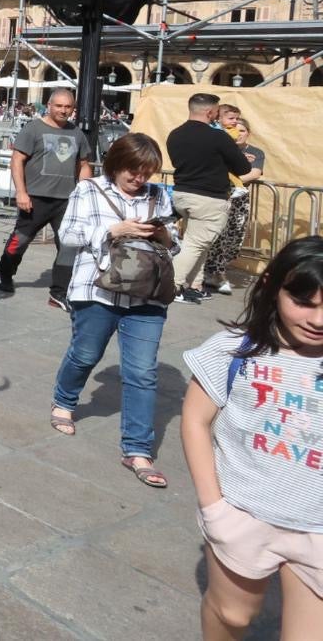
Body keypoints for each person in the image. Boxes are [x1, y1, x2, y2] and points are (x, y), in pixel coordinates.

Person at [181, 237, 323, 640]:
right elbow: (194, 419)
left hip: (318, 526)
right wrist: (214, 507)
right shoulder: (234, 350)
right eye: (303, 302)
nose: (318, 319)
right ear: (271, 287)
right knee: (233, 615)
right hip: (245, 512)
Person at [50, 133, 178, 488]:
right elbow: (68, 235)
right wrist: (113, 229)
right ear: (117, 164)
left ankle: (137, 450)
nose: (140, 178)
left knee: (142, 372)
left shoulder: (158, 196)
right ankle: (64, 400)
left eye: (146, 172)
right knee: (85, 354)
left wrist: (163, 236)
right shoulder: (89, 189)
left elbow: (175, 244)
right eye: (133, 170)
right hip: (96, 289)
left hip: (147, 294)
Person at [0, 88, 94, 308]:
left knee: (68, 245)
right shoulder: (33, 129)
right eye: (59, 106)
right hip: (35, 198)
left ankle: (59, 292)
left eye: (68, 107)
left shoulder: (77, 133)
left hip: (66, 201)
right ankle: (5, 271)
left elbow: (84, 165)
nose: (63, 110)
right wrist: (21, 192)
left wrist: (84, 194)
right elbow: (17, 160)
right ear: (49, 105)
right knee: (19, 241)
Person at [167, 93, 261, 305]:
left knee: (198, 244)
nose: (218, 116)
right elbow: (243, 168)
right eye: (218, 112)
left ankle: (192, 285)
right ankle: (171, 286)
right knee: (195, 244)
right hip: (209, 198)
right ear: (210, 112)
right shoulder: (218, 137)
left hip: (182, 194)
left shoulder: (175, 134)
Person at [201, 117, 264, 298]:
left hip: (239, 201)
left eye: (242, 130)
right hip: (218, 197)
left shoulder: (255, 152)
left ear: (248, 133)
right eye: (234, 130)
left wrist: (227, 176)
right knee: (217, 236)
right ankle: (214, 273)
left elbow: (254, 173)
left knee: (234, 239)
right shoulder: (220, 148)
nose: (238, 134)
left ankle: (214, 271)